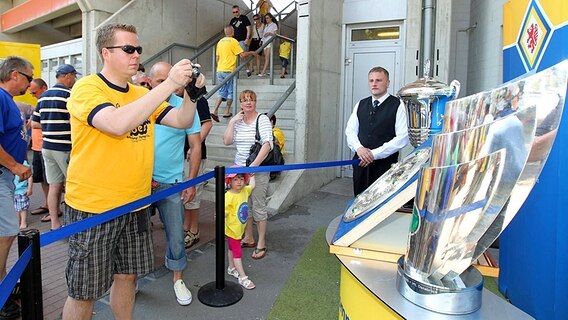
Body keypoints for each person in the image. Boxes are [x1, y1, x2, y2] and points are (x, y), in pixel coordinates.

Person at [61, 23, 204, 320]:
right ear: (106, 53)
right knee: (83, 291)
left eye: (138, 49)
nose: (136, 54)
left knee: (128, 277)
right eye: (128, 49)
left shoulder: (141, 92)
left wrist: (190, 93)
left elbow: (181, 120)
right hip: (94, 208)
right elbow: (115, 124)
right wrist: (167, 84)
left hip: (136, 203)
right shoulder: (87, 87)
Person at [147, 61, 202, 306]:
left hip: (172, 184)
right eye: (159, 81)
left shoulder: (186, 107)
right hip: (139, 185)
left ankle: (178, 278)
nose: (166, 85)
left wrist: (191, 182)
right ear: (149, 82)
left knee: (177, 236)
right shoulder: (141, 105)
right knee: (134, 234)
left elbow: (195, 146)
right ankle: (129, 277)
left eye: (168, 79)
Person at [0, 55, 34, 320]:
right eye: (29, 77)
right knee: (7, 232)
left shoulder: (7, 101)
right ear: (14, 75)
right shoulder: (0, 97)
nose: (30, 83)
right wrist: (14, 166)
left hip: (6, 176)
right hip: (2, 174)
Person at [223, 89, 272, 260]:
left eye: (251, 99)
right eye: (244, 100)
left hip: (257, 169)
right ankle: (249, 237)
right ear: (240, 103)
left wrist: (253, 166)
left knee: (258, 205)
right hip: (239, 170)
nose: (248, 103)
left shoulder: (262, 119)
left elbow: (267, 145)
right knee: (245, 205)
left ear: (255, 102)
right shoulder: (238, 122)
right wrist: (232, 122)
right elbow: (227, 141)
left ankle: (261, 243)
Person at [345, 66, 409, 196]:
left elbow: (402, 138)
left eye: (379, 80)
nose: (374, 84)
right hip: (360, 164)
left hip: (384, 167)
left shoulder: (398, 105)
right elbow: (350, 131)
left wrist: (374, 154)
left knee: (381, 203)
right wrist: (359, 149)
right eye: (371, 80)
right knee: (359, 200)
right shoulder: (361, 104)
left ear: (388, 83)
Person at [31, 64, 79, 231]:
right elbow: (77, 121)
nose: (75, 79)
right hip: (65, 147)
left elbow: (35, 123)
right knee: (73, 185)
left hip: (47, 147)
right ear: (67, 76)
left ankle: (55, 224)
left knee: (54, 185)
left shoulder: (43, 97)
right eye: (74, 76)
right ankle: (74, 222)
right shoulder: (69, 96)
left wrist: (50, 125)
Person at [183, 95, 213, 248]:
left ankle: (194, 230)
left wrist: (193, 146)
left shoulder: (198, 99)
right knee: (184, 196)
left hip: (193, 155)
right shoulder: (174, 99)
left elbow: (207, 124)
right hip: (178, 154)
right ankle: (185, 227)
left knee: (193, 193)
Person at [211, 25, 254, 121]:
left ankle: (215, 111)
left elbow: (217, 58)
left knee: (222, 91)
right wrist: (251, 52)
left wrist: (220, 66)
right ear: (232, 32)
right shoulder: (234, 41)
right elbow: (242, 55)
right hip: (229, 70)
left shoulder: (220, 42)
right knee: (231, 91)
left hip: (220, 70)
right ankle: (226, 111)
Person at [225, 167, 256, 290]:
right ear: (230, 181)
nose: (239, 182)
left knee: (231, 249)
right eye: (236, 179)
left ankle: (231, 268)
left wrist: (252, 175)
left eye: (241, 179)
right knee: (237, 252)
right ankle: (243, 278)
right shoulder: (228, 196)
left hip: (239, 229)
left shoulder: (244, 191)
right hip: (232, 230)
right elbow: (223, 211)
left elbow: (252, 186)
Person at [27, 78, 49, 216]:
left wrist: (34, 123)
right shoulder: (38, 103)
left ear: (44, 89)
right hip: (36, 147)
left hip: (46, 146)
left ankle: (54, 207)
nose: (34, 95)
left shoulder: (48, 102)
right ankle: (48, 204)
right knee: (41, 178)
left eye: (35, 92)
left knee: (51, 180)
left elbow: (35, 124)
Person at [14, 160, 33, 230]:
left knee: (23, 208)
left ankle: (23, 222)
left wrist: (29, 188)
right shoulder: (9, 163)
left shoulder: (24, 163)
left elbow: (30, 176)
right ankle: (17, 221)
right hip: (12, 190)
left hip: (22, 190)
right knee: (16, 208)